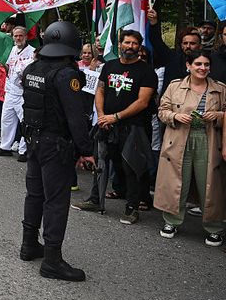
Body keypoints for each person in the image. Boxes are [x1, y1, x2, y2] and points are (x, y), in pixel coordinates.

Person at [18, 21, 94, 282]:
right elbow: (76, 117)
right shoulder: (66, 75)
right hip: (56, 144)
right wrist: (86, 150)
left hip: (33, 140)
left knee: (35, 194)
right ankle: (52, 260)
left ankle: (29, 245)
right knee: (56, 201)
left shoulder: (32, 68)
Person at [155, 51, 226, 245]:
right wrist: (175, 117)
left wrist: (218, 115)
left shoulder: (220, 89)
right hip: (178, 138)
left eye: (206, 65)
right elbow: (162, 111)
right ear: (189, 65)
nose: (203, 68)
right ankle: (171, 221)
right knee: (177, 181)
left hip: (209, 139)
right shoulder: (175, 86)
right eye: (198, 64)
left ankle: (215, 228)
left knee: (210, 185)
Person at [94, 30, 158, 225]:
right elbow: (100, 90)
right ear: (119, 44)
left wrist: (116, 117)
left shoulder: (147, 71)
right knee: (102, 162)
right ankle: (95, 199)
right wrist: (102, 115)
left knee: (132, 167)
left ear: (139, 47)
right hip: (108, 125)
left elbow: (143, 102)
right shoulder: (109, 66)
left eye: (134, 43)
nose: (130, 46)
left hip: (134, 127)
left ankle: (132, 208)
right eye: (127, 42)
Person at [0, 27, 33, 159]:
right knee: (6, 120)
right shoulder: (13, 50)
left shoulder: (32, 52)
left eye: (20, 36)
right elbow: (9, 67)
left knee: (25, 122)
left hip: (22, 93)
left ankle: (24, 150)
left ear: (25, 36)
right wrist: (1, 64)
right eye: (16, 36)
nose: (18, 38)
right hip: (10, 91)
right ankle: (5, 147)